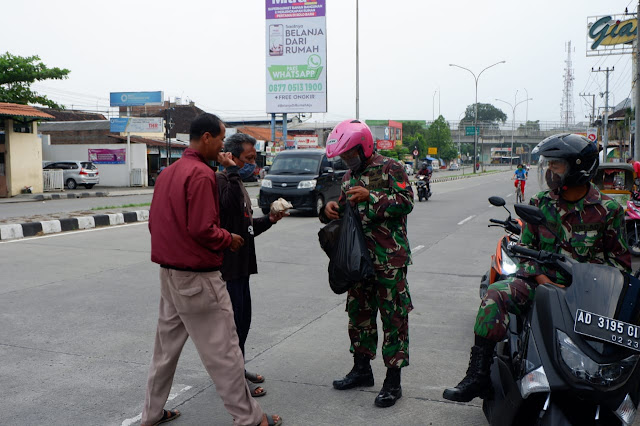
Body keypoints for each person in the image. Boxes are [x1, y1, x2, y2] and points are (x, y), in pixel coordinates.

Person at [443, 133, 631, 403]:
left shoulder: (609, 210)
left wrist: (585, 281)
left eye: (557, 165)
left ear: (578, 169)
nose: (550, 171)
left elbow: (621, 265)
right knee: (495, 294)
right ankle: (478, 375)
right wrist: (543, 280)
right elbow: (525, 254)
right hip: (541, 285)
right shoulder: (540, 203)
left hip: (590, 294)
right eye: (549, 164)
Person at [142, 113, 282, 426]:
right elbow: (203, 229)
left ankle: (151, 414)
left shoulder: (168, 173)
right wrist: (228, 238)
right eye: (219, 139)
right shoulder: (202, 174)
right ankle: (250, 419)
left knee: (164, 353)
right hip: (197, 277)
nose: (221, 146)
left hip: (169, 275)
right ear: (206, 138)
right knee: (226, 351)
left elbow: (155, 224)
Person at [320, 119, 414, 408]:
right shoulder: (349, 176)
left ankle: (393, 381)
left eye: (351, 154)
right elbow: (343, 208)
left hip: (389, 259)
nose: (348, 160)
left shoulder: (390, 167)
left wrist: (371, 196)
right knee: (359, 315)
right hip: (357, 260)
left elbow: (407, 200)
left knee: (393, 318)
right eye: (344, 156)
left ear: (365, 147)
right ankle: (361, 369)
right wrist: (330, 209)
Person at [217, 133, 286, 398]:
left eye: (254, 158)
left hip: (242, 269)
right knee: (232, 327)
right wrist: (232, 173)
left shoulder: (238, 183)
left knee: (242, 323)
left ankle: (238, 369)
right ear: (232, 158)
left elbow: (246, 228)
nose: (253, 164)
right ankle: (233, 382)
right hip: (228, 270)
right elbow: (228, 207)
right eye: (248, 158)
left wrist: (270, 219)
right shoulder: (222, 182)